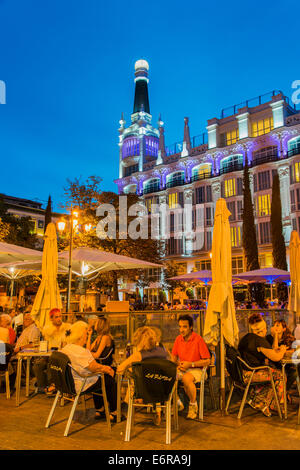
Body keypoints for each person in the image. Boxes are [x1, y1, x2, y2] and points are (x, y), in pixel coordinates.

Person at [61, 321, 118, 422]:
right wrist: (107, 369)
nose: (86, 336)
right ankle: (115, 412)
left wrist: (103, 368)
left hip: (68, 383)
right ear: (80, 336)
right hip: (81, 383)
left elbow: (91, 361)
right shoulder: (80, 352)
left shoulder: (66, 348)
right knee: (109, 380)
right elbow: (94, 367)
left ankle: (99, 409)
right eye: (85, 334)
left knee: (101, 378)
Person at [117, 326, 168, 425]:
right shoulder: (163, 351)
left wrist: (129, 368)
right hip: (162, 391)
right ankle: (158, 410)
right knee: (154, 377)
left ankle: (125, 407)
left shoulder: (139, 355)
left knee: (133, 376)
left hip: (143, 392)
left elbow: (120, 368)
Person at [238, 313, 287, 417]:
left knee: (273, 373)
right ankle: (275, 405)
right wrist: (282, 350)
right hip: (251, 374)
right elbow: (276, 357)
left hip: (241, 372)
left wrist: (276, 338)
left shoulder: (247, 337)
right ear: (263, 329)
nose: (266, 330)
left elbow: (270, 351)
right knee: (280, 375)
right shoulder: (259, 341)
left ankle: (260, 400)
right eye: (266, 328)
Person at [171, 314, 211, 420]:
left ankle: (193, 405)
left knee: (186, 378)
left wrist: (190, 364)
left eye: (184, 327)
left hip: (197, 369)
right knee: (168, 376)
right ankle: (178, 402)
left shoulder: (198, 339)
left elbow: (207, 361)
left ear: (191, 327)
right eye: (179, 326)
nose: (181, 330)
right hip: (183, 368)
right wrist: (176, 365)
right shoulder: (178, 339)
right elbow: (174, 357)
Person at [33, 308, 72, 394]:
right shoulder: (47, 329)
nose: (59, 319)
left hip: (62, 356)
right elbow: (46, 343)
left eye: (60, 316)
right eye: (56, 317)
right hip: (49, 354)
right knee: (38, 365)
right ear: (51, 318)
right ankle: (43, 387)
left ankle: (53, 386)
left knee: (51, 364)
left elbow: (69, 342)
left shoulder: (67, 327)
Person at [266, 319, 297, 392]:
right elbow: (274, 350)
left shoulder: (289, 339)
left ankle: (284, 392)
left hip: (287, 364)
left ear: (284, 329)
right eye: (274, 325)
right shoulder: (269, 338)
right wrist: (276, 336)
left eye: (277, 325)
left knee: (295, 372)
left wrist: (283, 351)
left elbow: (293, 351)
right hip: (274, 364)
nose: (275, 327)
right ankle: (283, 394)